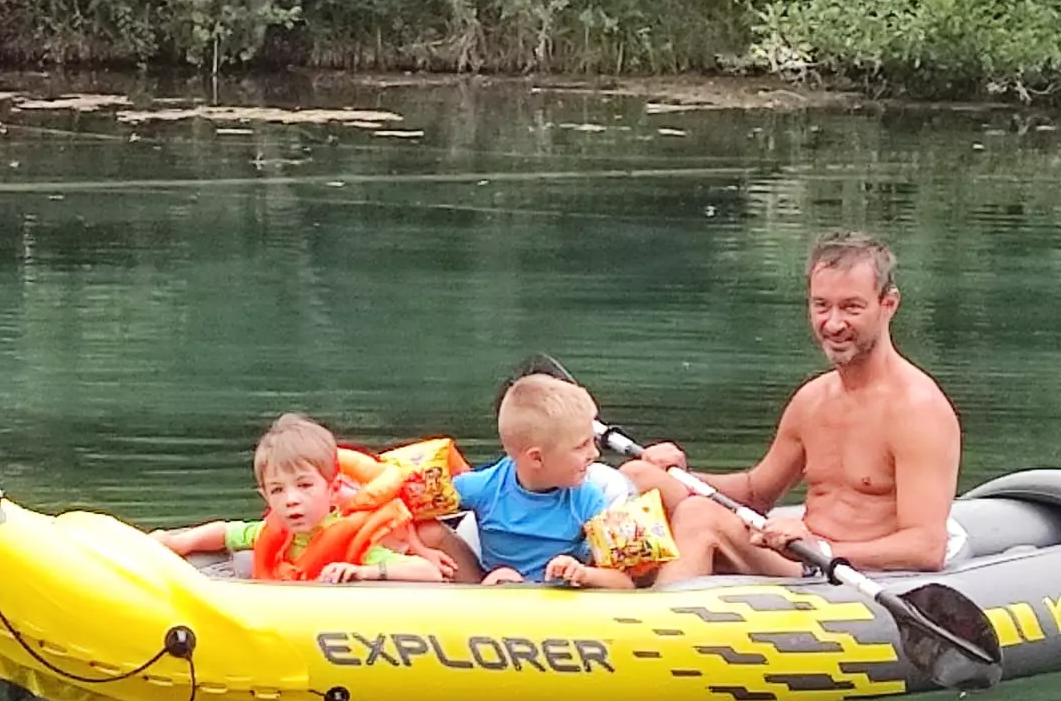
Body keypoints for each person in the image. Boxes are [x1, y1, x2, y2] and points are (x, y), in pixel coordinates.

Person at [623, 231, 961, 583]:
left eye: (851, 307)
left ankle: (657, 614)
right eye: (822, 306)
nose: (833, 323)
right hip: (796, 555)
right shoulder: (813, 399)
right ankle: (611, 584)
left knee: (700, 515)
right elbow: (756, 493)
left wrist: (823, 549)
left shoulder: (918, 410)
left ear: (888, 305)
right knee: (640, 476)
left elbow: (926, 547)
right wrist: (677, 472)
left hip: (836, 572)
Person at [151, 413, 452, 583]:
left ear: (332, 490)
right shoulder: (274, 532)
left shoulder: (352, 543)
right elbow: (226, 532)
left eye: (304, 485)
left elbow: (429, 573)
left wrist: (365, 572)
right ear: (265, 496)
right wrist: (179, 543)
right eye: (277, 490)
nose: (291, 500)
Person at [444, 374, 635, 588]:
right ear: (536, 458)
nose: (594, 453)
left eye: (593, 441)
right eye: (581, 446)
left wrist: (584, 574)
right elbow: (414, 504)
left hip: (557, 593)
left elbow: (625, 583)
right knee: (430, 531)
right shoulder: (483, 487)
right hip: (493, 587)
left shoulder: (588, 500)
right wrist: (422, 551)